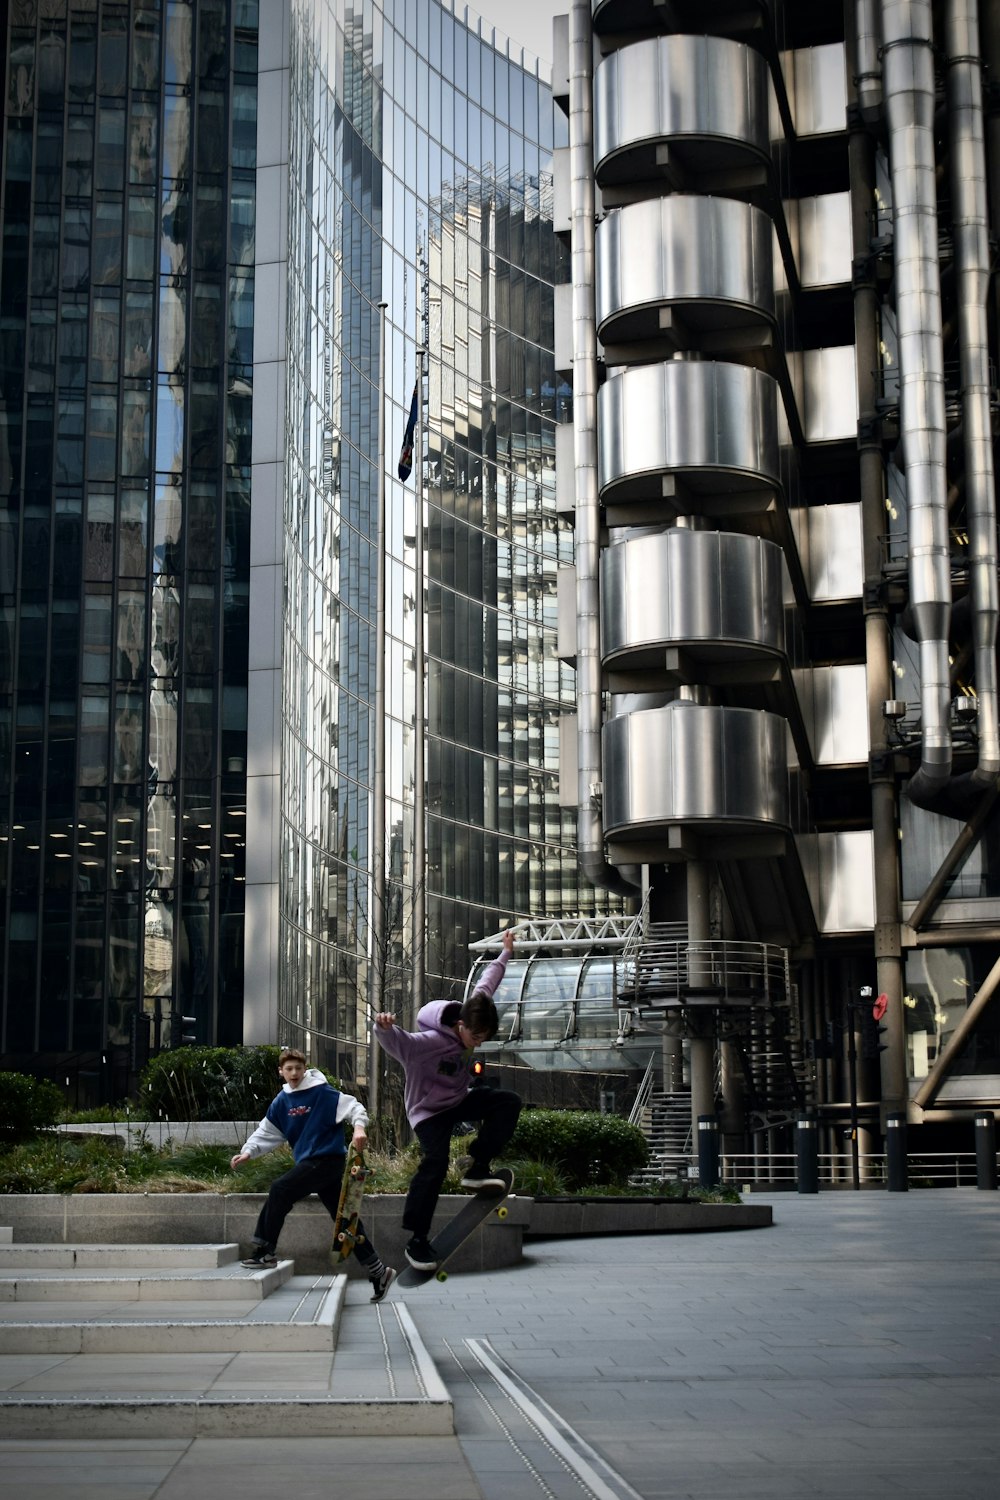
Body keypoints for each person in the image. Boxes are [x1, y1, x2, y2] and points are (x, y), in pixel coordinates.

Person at [374, 929, 521, 1271]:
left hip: (458, 1099)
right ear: (460, 1025)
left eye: (484, 1039)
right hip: (427, 1113)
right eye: (476, 1038)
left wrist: (505, 954)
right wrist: (383, 1027)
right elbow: (401, 1043)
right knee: (435, 1165)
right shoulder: (427, 1043)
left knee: (507, 1102)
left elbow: (487, 983)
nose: (478, 1044)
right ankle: (417, 1240)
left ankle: (477, 1167)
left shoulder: (475, 1010)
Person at [230, 1047, 395, 1302]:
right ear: (281, 1072)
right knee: (343, 1220)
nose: (294, 1073)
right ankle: (378, 1271)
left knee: (281, 1189)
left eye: (298, 1068)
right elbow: (266, 1132)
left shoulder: (321, 1092)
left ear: (304, 1069)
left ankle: (265, 1251)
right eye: (289, 1069)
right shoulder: (282, 1102)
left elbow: (354, 1107)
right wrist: (248, 1152)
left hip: (327, 1159)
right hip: (312, 1164)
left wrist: (359, 1129)